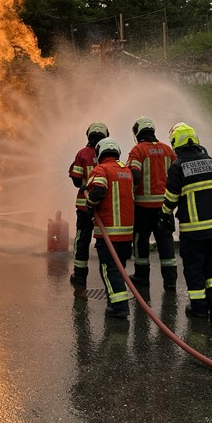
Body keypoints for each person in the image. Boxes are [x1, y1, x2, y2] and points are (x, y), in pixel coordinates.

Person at [160, 123, 212, 317]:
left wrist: (164, 215)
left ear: (175, 143)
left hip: (193, 230)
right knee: (211, 263)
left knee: (194, 267)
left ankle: (198, 307)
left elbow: (171, 197)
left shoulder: (177, 167)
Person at [85, 137, 135, 319]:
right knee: (119, 267)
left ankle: (119, 307)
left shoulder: (102, 169)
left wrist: (90, 203)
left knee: (108, 269)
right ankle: (116, 302)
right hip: (126, 233)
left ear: (100, 153)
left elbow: (98, 190)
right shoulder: (126, 170)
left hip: (109, 232)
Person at [125, 116, 177, 290]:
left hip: (143, 208)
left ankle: (141, 276)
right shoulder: (168, 150)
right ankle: (170, 281)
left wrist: (131, 188)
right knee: (166, 241)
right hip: (165, 206)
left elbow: (135, 174)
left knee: (141, 240)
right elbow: (177, 174)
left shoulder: (138, 151)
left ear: (138, 132)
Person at [68, 121, 109, 288]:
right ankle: (108, 277)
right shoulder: (108, 155)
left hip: (85, 207)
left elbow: (77, 181)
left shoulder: (83, 153)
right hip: (104, 208)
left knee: (82, 239)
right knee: (105, 242)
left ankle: (79, 276)